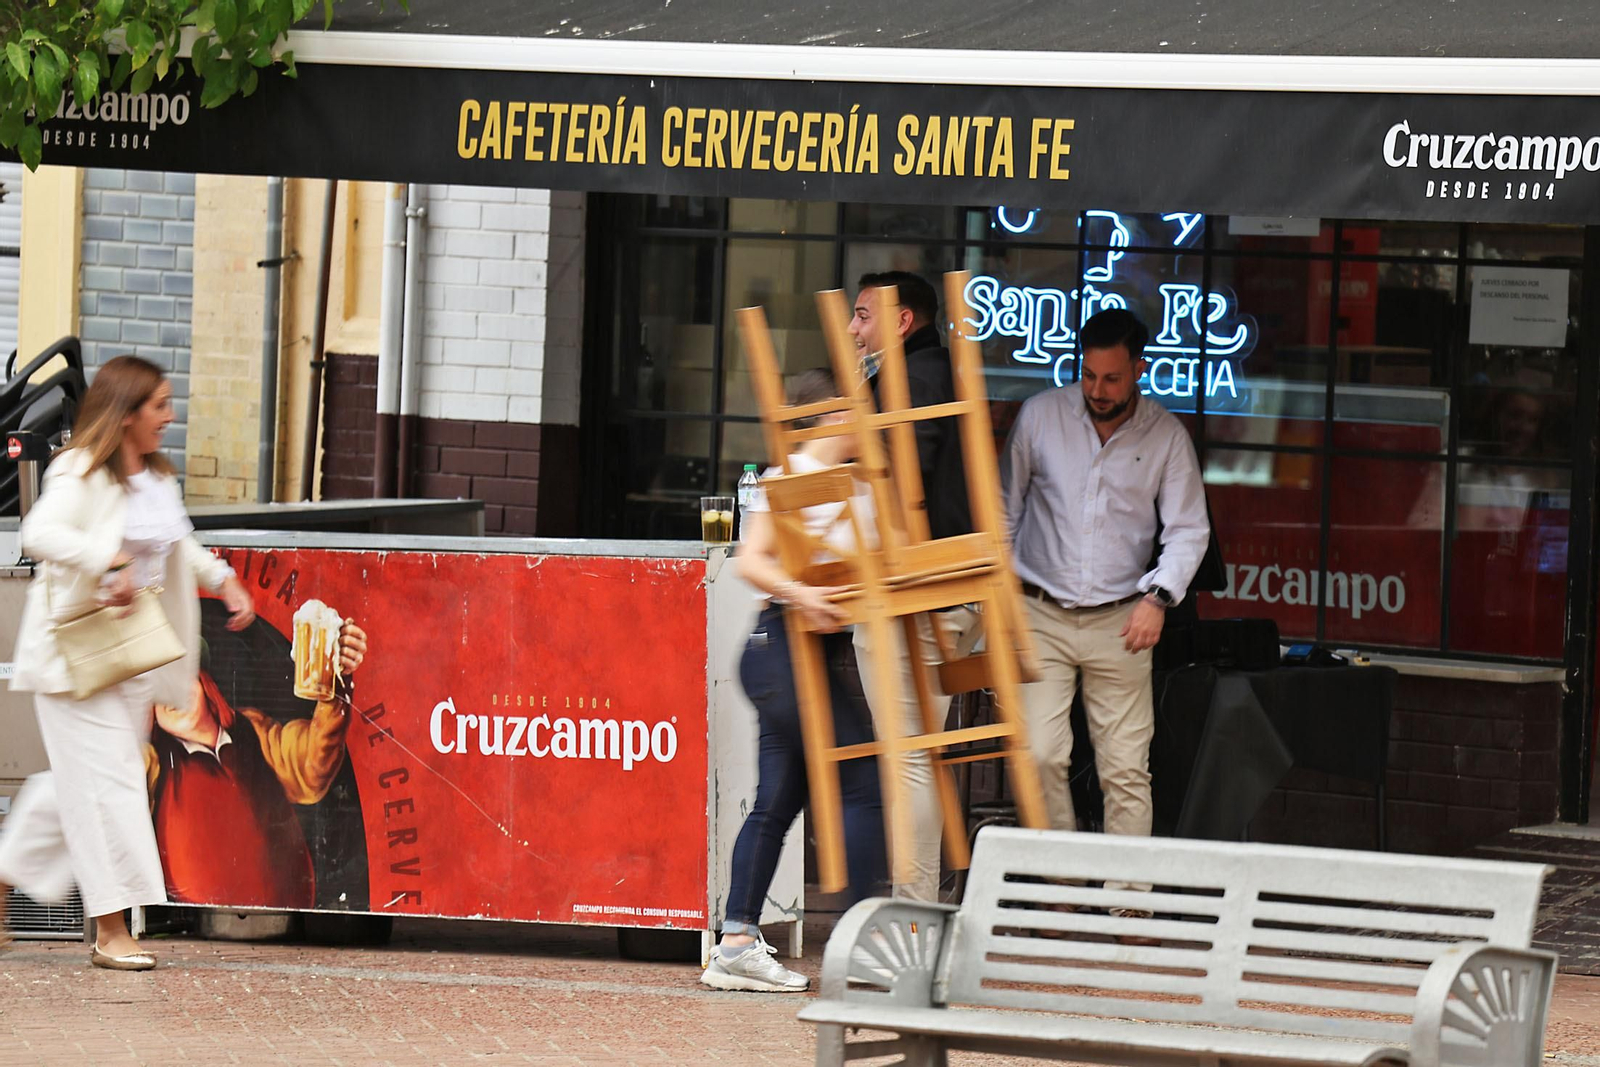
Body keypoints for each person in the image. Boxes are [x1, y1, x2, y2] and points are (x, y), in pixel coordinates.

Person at [0, 355, 255, 970]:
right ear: (125, 416)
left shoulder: (156, 480)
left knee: (75, 790)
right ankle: (111, 929)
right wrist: (105, 561)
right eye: (158, 406)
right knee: (111, 782)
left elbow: (179, 545)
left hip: (132, 661)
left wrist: (223, 581)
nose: (170, 416)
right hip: (76, 661)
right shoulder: (79, 472)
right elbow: (37, 533)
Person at [1002, 308, 1209, 911]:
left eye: (1112, 379)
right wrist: (998, 599)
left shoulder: (1167, 436)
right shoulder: (1040, 417)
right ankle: (1063, 887)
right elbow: (1003, 510)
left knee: (1125, 767)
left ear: (1139, 370)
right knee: (1038, 754)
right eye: (1089, 375)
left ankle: (1128, 898)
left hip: (1125, 617)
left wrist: (1159, 598)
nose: (1098, 390)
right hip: (1038, 608)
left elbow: (1189, 531)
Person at [702, 369, 886, 993]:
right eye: (856, 409)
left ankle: (734, 944)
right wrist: (804, 592)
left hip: (814, 655)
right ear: (829, 416)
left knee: (778, 800)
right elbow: (751, 561)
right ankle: (861, 946)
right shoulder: (788, 477)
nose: (867, 420)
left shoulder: (862, 486)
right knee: (862, 780)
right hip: (780, 651)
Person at [846, 270, 979, 904]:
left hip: (915, 594)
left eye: (863, 316)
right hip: (939, 591)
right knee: (915, 757)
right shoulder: (928, 372)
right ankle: (917, 906)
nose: (852, 329)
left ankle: (914, 915)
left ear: (902, 321)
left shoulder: (913, 377)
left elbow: (901, 477)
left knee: (909, 759)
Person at [147, 622, 365, 909]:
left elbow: (312, 765)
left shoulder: (252, 731)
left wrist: (335, 676)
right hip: (193, 925)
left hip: (289, 918)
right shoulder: (156, 762)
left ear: (205, 682)